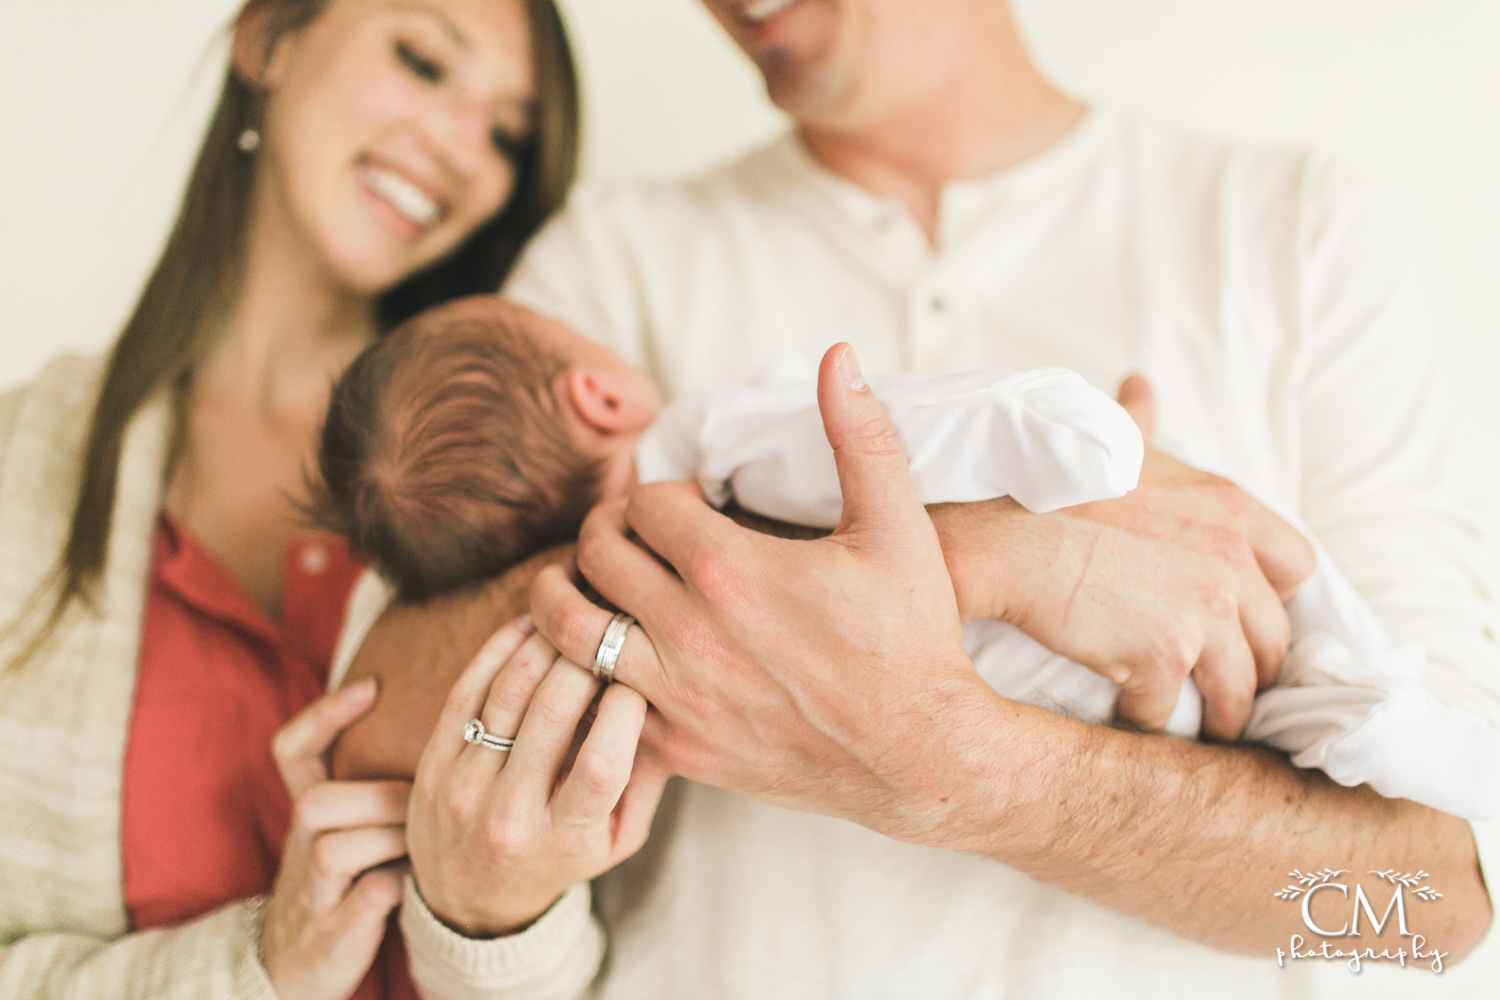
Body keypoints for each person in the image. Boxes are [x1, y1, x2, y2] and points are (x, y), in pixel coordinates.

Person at [336, 0, 1500, 995]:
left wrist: (981, 773)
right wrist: (998, 557)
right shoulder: (609, 261)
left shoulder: (1289, 227)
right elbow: (373, 717)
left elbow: (1435, 906)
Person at [0, 1, 628, 998]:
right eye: (423, 61)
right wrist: (260, 962)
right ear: (267, 40)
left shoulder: (531, 462)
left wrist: (496, 918)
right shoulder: (21, 463)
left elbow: (608, 949)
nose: (467, 153)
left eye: (508, 132)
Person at [321, 294, 1500, 820]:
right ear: (597, 389)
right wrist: (1054, 440)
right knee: (1299, 609)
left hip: (1079, 694)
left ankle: (1377, 734)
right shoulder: (715, 441)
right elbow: (895, 425)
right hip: (1058, 649)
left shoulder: (633, 643)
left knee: (1284, 690)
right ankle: (1390, 723)